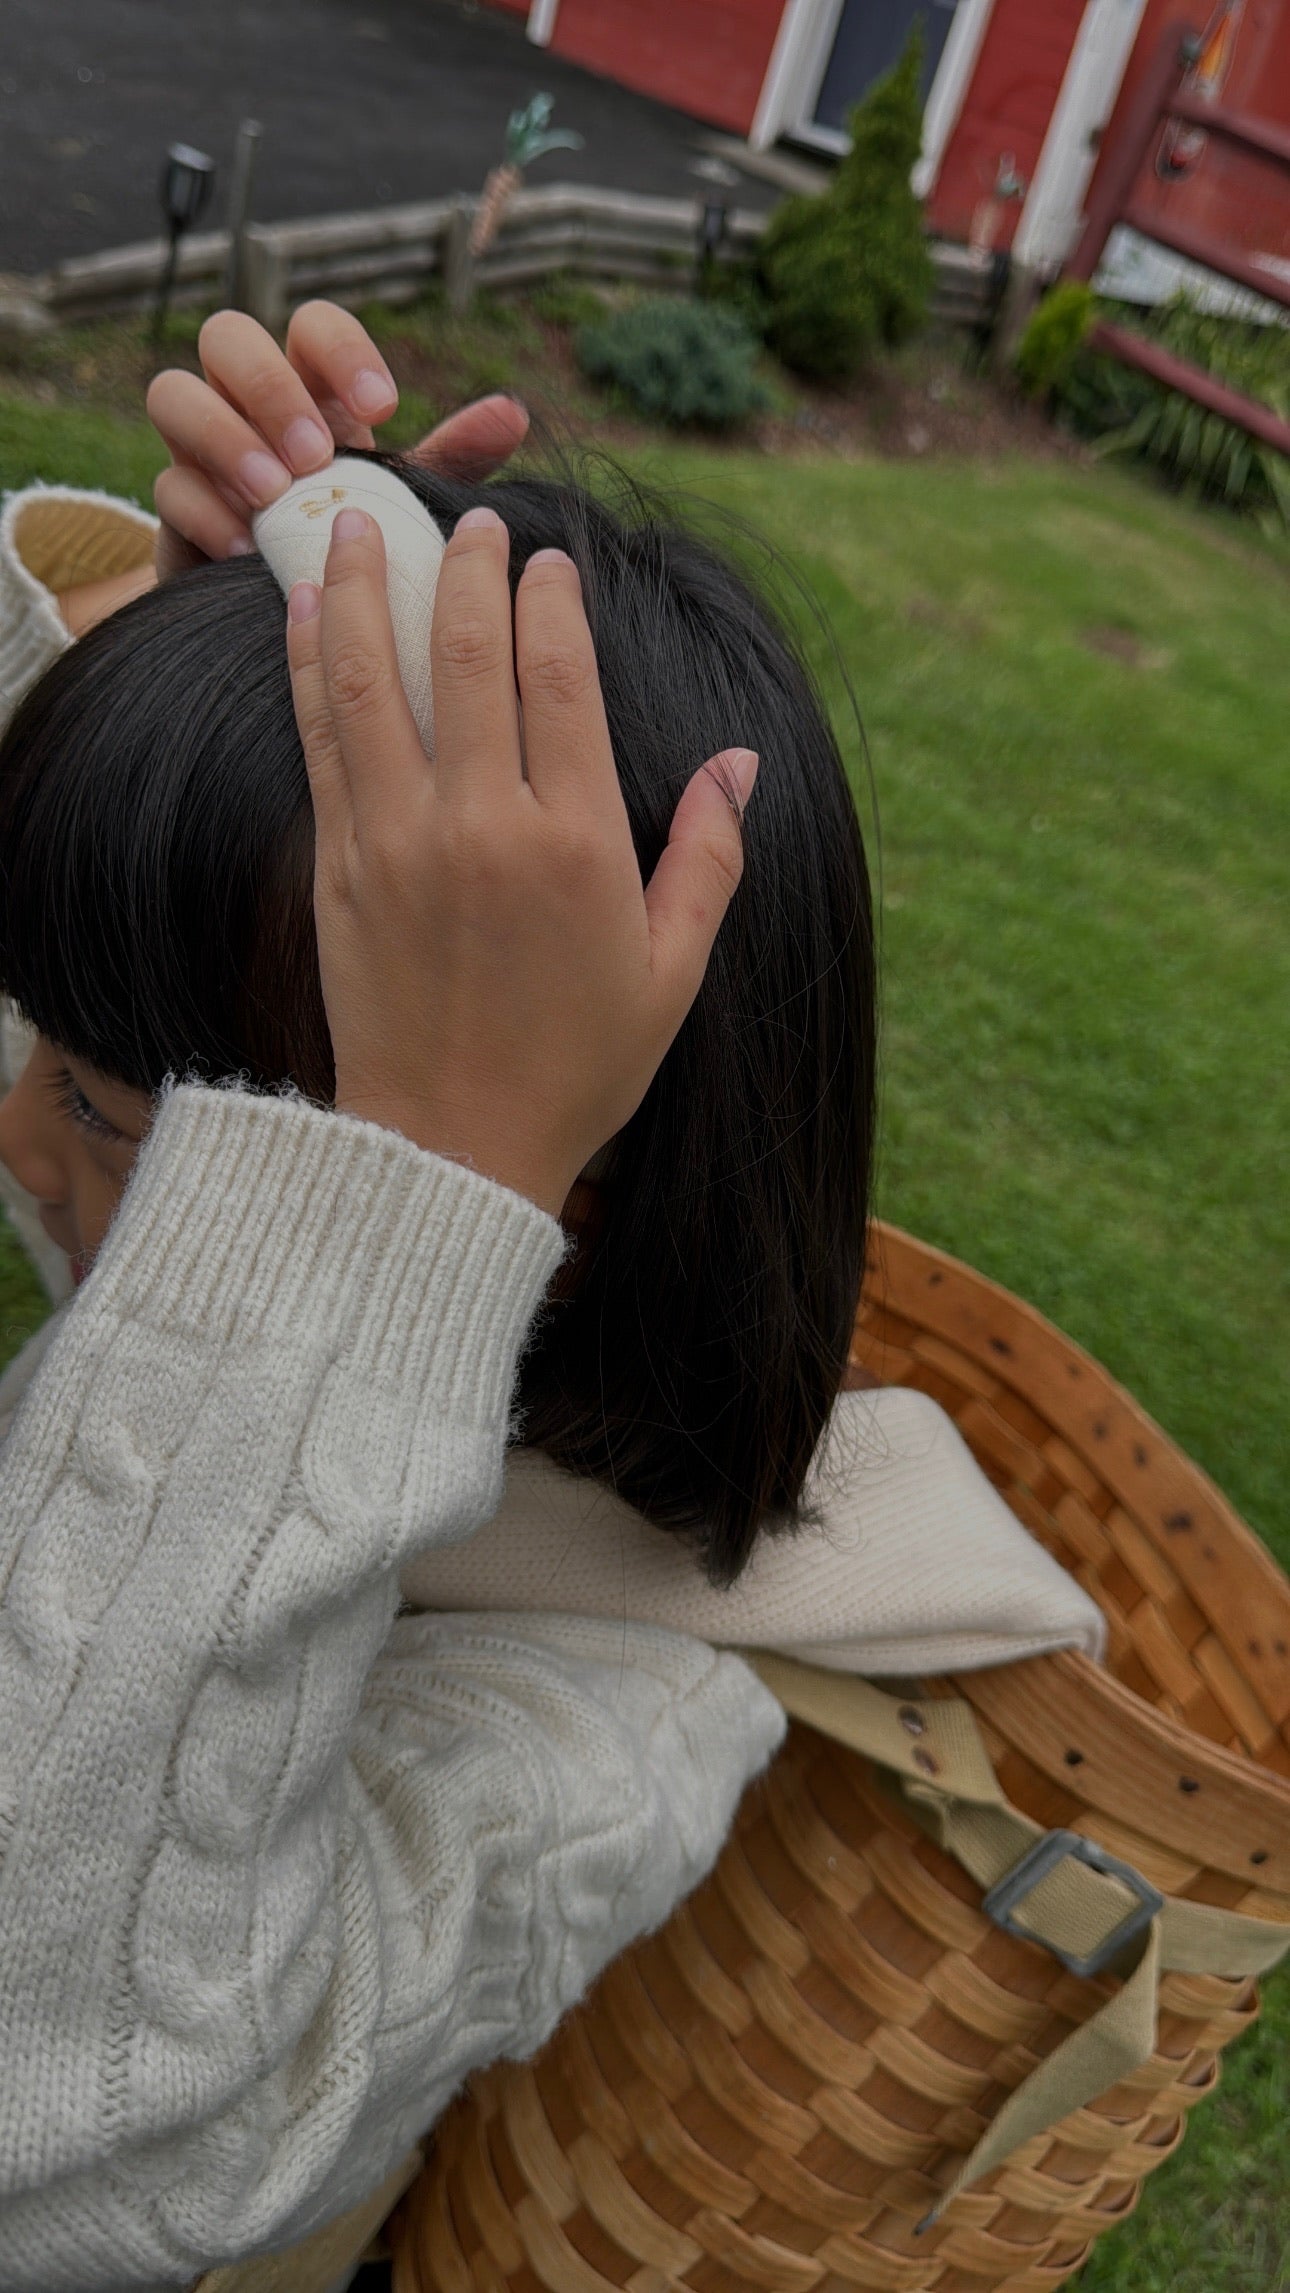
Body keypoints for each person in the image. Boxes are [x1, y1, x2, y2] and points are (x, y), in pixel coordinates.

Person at [0, 306, 1099, 2292]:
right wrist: (198, 716)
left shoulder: (612, 1722)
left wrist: (379, 1187)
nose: (16, 1133)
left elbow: (54, 2104)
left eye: (88, 1096)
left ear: (512, 1192)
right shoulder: (263, 1278)